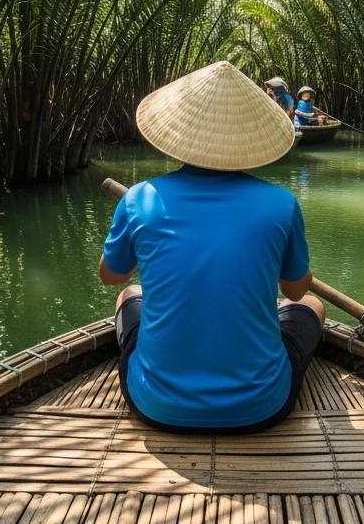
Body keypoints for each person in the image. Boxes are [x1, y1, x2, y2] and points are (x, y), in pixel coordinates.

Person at [100, 61, 325, 434]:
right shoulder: (281, 204)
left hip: (155, 404)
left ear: (178, 133)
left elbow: (112, 275)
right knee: (313, 305)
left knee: (129, 294)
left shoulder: (139, 199)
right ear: (248, 139)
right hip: (262, 406)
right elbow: (296, 290)